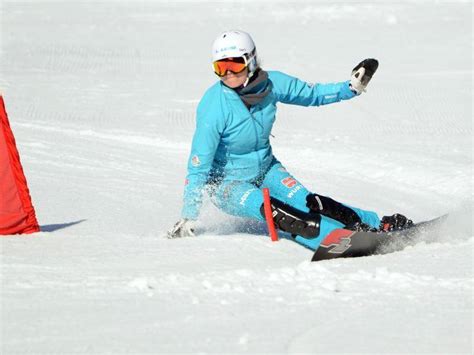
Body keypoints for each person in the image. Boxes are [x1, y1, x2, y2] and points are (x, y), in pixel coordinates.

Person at [167, 30, 412, 250]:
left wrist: (351, 87)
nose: (228, 73)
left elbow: (312, 94)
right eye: (221, 68)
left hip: (266, 168)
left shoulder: (272, 84)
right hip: (227, 185)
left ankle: (375, 224)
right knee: (278, 212)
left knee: (310, 203)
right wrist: (189, 214)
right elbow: (198, 165)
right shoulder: (213, 106)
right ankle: (338, 242)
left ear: (250, 61)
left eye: (234, 65)